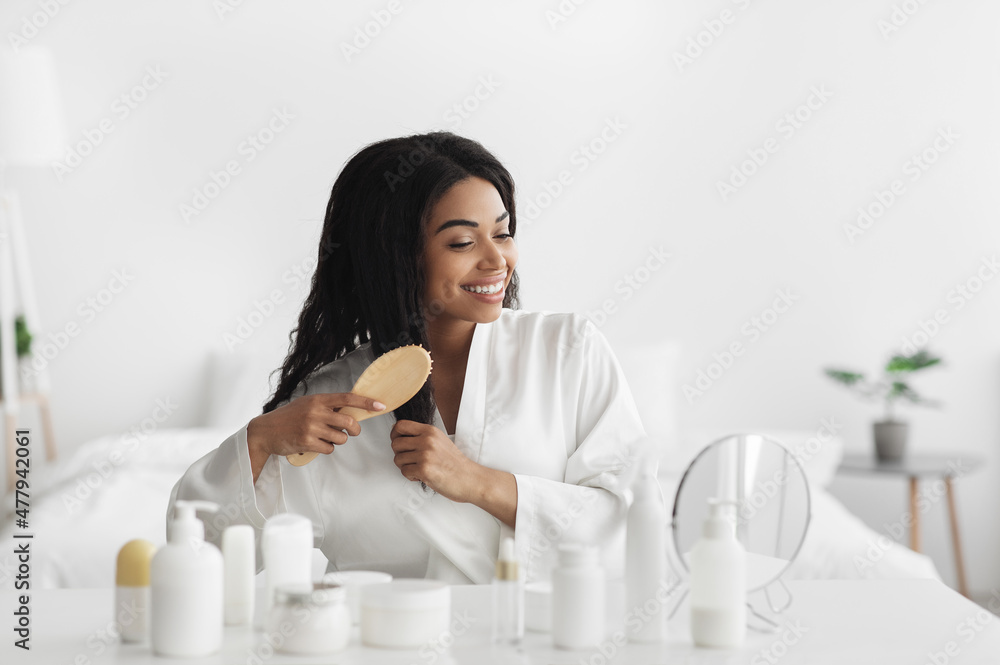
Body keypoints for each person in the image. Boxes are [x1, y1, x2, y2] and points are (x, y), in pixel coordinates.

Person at [168, 131, 648, 584]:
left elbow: (630, 525)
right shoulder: (332, 405)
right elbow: (199, 550)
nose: (497, 259)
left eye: (502, 234)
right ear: (395, 257)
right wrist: (259, 439)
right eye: (462, 242)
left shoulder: (567, 350)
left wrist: (477, 482)